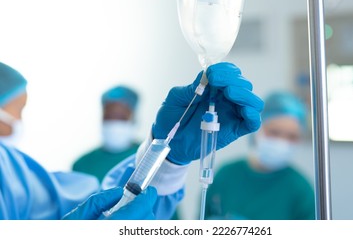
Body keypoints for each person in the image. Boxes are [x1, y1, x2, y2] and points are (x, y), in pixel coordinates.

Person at [0, 61, 263, 220]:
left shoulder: (13, 172)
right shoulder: (81, 162)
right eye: (17, 109)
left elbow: (109, 207)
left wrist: (167, 160)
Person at [205, 91, 315, 220]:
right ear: (257, 129)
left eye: (292, 137)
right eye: (274, 132)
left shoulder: (300, 189)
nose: (282, 142)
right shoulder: (226, 174)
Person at [72, 85, 141, 182]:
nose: (114, 123)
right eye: (109, 117)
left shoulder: (146, 158)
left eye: (121, 117)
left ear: (133, 119)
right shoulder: (82, 164)